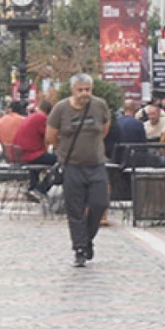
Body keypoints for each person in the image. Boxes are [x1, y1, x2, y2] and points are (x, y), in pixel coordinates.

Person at [46, 74, 111, 268]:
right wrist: (63, 152)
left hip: (96, 164)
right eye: (80, 90)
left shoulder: (99, 106)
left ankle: (87, 237)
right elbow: (51, 135)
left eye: (87, 90)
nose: (84, 94)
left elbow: (105, 129)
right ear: (72, 90)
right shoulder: (61, 109)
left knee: (100, 203)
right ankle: (80, 249)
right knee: (75, 209)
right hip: (72, 165)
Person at [12, 100, 57, 201]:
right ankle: (41, 189)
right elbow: (49, 137)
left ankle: (33, 188)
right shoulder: (42, 118)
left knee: (41, 159)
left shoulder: (31, 117)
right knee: (63, 162)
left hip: (22, 154)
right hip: (31, 154)